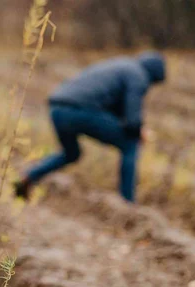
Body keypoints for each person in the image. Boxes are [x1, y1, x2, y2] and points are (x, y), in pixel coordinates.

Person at [15, 52, 166, 203]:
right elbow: (132, 117)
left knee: (71, 153)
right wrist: (138, 131)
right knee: (130, 144)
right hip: (79, 111)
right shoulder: (138, 75)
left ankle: (28, 177)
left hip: (57, 109)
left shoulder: (121, 64)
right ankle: (127, 203)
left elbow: (112, 104)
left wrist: (134, 127)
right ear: (154, 75)